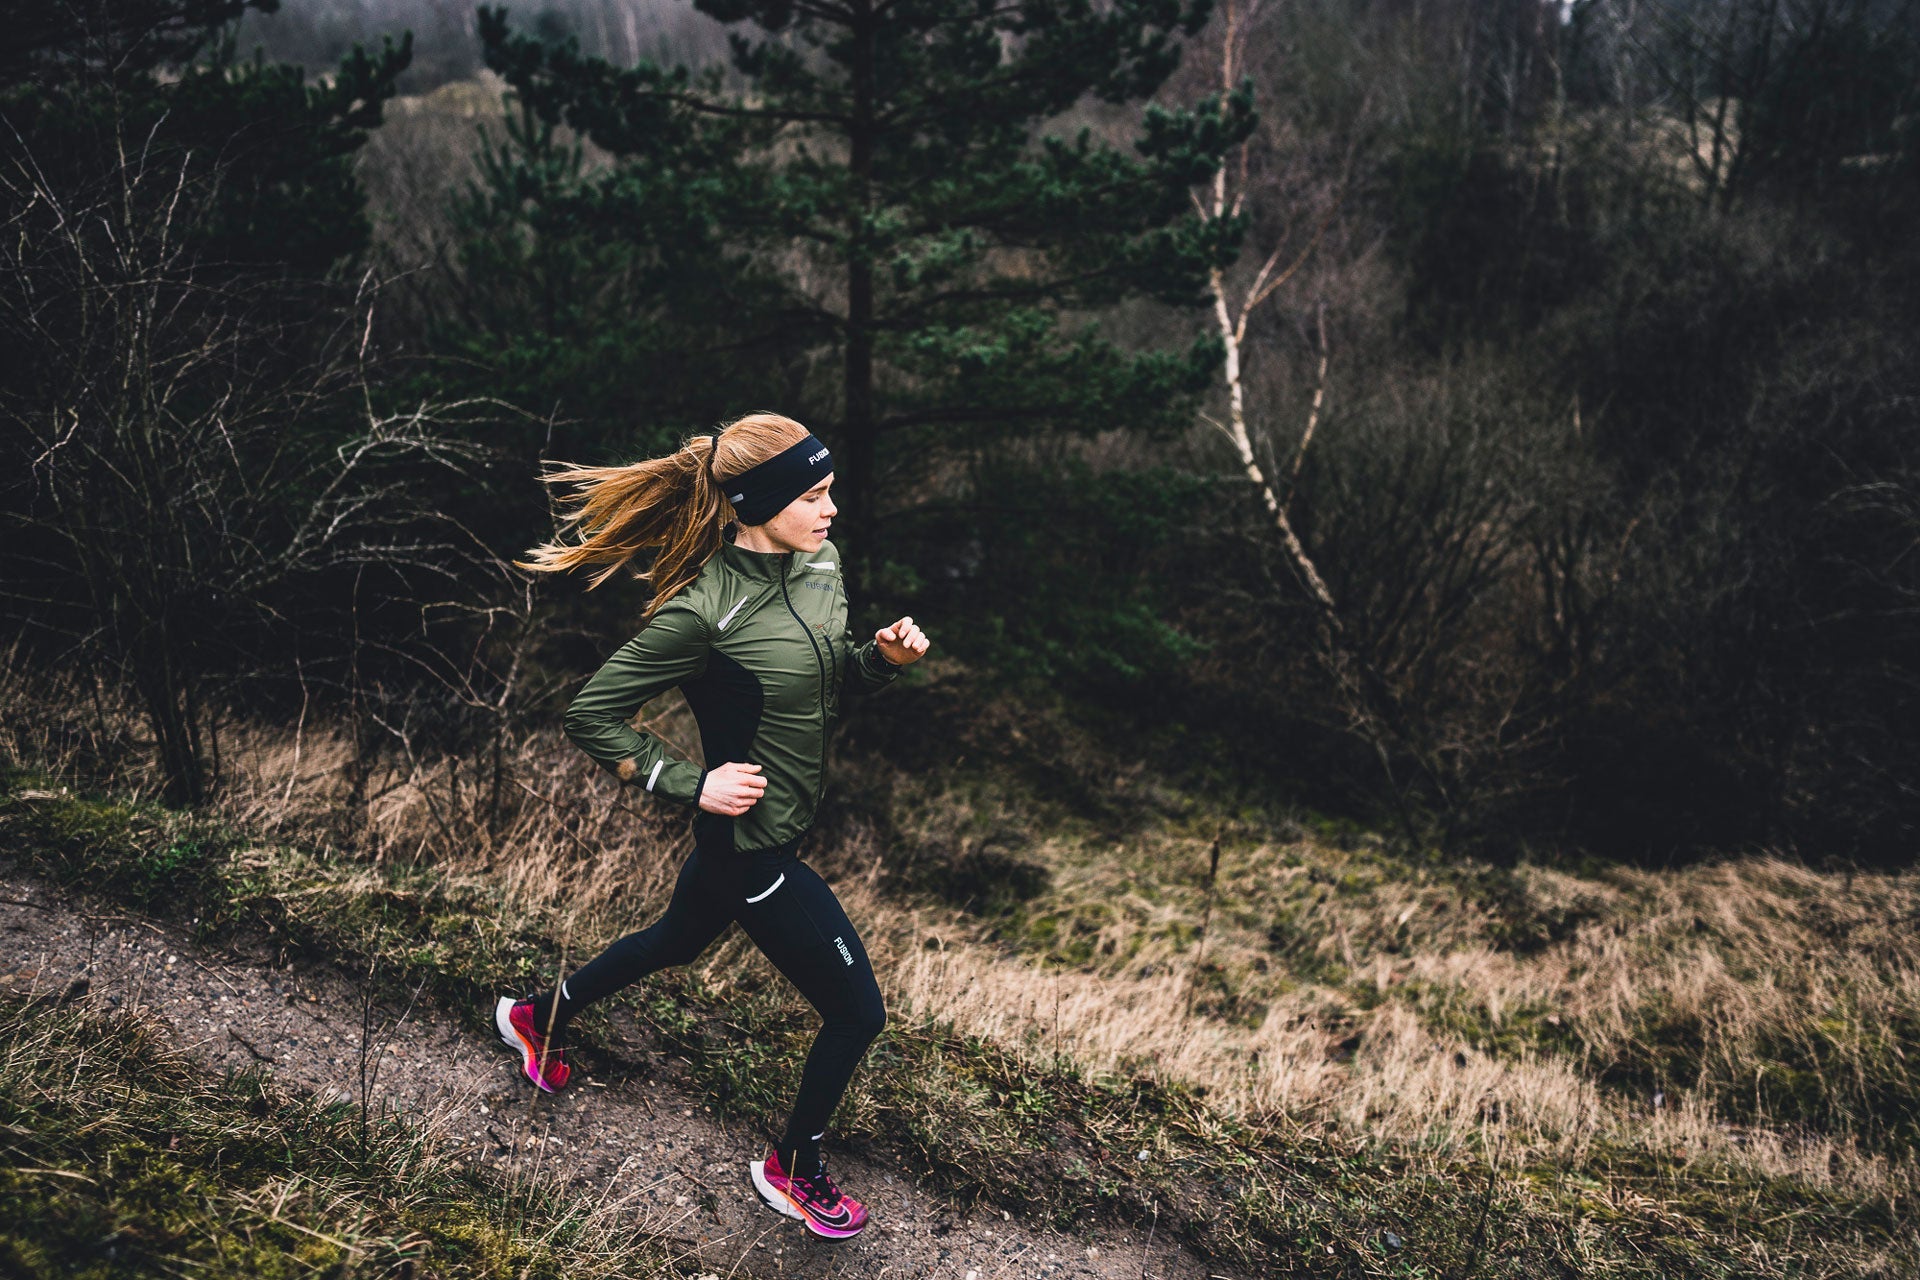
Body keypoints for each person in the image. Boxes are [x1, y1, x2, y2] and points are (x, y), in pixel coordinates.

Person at [492, 412, 928, 1241]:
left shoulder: (820, 564)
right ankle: (792, 1169)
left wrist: (880, 662)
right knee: (857, 1014)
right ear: (757, 502)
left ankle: (535, 1017)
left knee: (675, 941)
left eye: (829, 491)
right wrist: (693, 781)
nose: (832, 510)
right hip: (750, 846)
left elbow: (826, 680)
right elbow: (593, 716)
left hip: (780, 832)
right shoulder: (702, 613)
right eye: (813, 494)